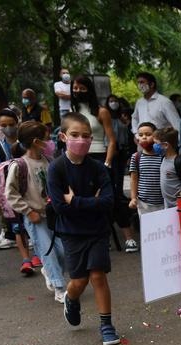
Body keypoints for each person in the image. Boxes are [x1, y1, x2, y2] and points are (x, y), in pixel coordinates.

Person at [46, 112, 120, 345]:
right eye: (75, 135)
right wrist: (91, 203)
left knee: (98, 276)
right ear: (63, 137)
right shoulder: (56, 168)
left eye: (86, 136)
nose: (81, 140)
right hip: (72, 233)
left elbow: (109, 202)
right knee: (79, 282)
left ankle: (106, 325)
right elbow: (59, 207)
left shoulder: (98, 168)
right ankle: (71, 298)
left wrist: (76, 201)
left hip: (97, 230)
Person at [6, 120, 68, 303]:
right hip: (35, 217)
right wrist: (28, 211)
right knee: (47, 251)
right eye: (46, 139)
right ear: (35, 141)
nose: (50, 142)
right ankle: (59, 287)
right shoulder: (19, 165)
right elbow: (11, 194)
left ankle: (50, 272)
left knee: (63, 251)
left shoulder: (49, 161)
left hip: (53, 215)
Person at [72, 76, 133, 252]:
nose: (77, 91)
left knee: (111, 196)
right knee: (84, 198)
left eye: (82, 88)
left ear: (89, 89)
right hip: (78, 159)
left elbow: (112, 140)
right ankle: (98, 237)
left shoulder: (101, 111)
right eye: (75, 88)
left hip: (100, 157)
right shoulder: (72, 111)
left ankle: (128, 237)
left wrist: (107, 163)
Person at [0, 108, 35, 270]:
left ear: (18, 123)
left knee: (35, 221)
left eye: (11, 124)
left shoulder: (28, 143)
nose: (8, 128)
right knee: (17, 225)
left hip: (31, 189)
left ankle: (38, 254)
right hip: (11, 193)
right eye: (4, 125)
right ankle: (26, 259)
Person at [129, 122, 166, 216]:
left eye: (148, 134)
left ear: (156, 137)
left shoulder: (163, 156)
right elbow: (134, 179)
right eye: (140, 135)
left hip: (164, 202)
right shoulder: (136, 157)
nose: (144, 137)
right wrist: (133, 198)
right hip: (143, 204)